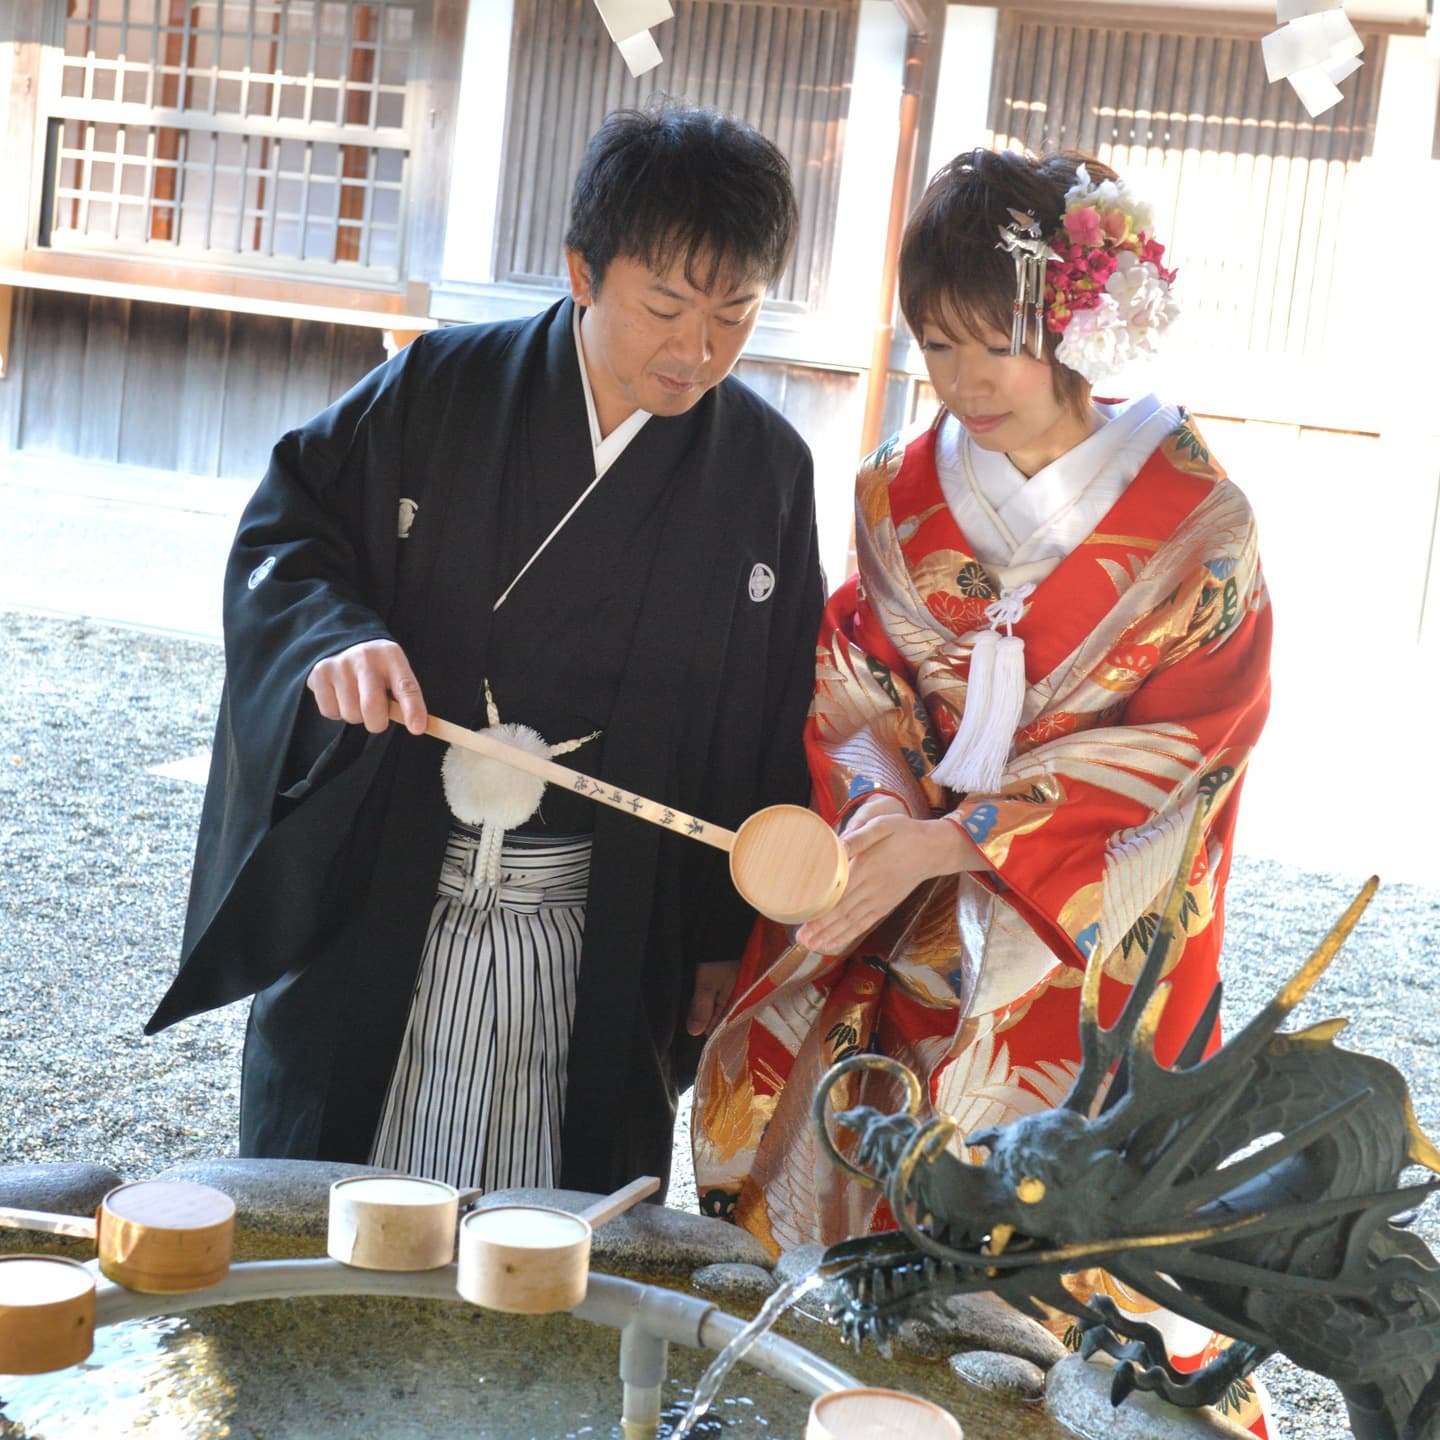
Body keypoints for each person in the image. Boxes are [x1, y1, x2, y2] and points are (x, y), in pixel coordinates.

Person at [145, 101, 825, 1200]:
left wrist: (720, 936)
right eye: (666, 308)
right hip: (396, 877)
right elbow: (289, 534)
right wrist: (340, 639)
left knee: (560, 1223)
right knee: (337, 1193)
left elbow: (766, 711)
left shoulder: (764, 471)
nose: (698, 350)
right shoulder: (438, 392)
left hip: (606, 909)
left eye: (735, 316)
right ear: (581, 271)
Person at [692, 146, 1272, 1425]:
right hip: (904, 930)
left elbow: (1193, 744)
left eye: (991, 347)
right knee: (864, 1208)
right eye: (935, 349)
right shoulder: (905, 492)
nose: (962, 384)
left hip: (1074, 950)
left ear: (1065, 325)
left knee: (1059, 1256)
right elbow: (851, 675)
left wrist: (966, 840)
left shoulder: (1194, 526)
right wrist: (887, 813)